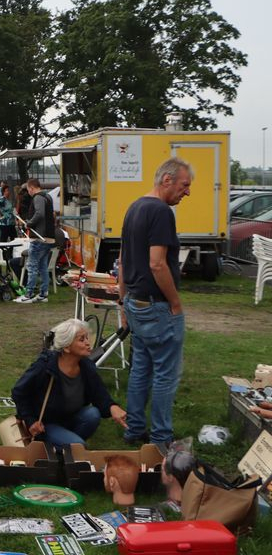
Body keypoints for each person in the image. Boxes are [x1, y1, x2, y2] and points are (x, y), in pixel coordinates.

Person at [117, 157, 192, 450]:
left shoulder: (134, 207)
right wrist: (175, 304)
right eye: (185, 185)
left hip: (135, 301)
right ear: (167, 180)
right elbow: (157, 264)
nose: (187, 192)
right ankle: (161, 438)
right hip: (156, 305)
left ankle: (134, 429)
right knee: (165, 374)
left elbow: (122, 260)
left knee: (141, 368)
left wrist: (123, 300)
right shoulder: (161, 212)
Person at [11, 319, 128, 447]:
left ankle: (63, 449)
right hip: (46, 424)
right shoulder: (44, 366)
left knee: (92, 414)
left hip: (70, 418)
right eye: (81, 340)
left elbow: (99, 394)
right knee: (77, 445)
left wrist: (113, 407)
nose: (88, 343)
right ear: (66, 347)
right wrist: (30, 420)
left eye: (87, 338)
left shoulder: (86, 366)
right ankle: (61, 446)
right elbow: (19, 391)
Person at [14, 178, 55, 304]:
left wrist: (29, 223)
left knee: (32, 266)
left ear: (31, 188)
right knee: (43, 267)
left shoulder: (37, 198)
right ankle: (43, 294)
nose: (28, 193)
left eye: (28, 190)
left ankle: (29, 294)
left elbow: (39, 214)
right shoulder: (48, 197)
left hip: (39, 237)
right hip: (48, 237)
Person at [0, 184, 17, 258]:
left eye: (9, 191)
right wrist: (1, 214)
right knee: (3, 240)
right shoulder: (2, 199)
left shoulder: (8, 200)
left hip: (11, 223)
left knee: (14, 239)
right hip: (4, 223)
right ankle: (3, 256)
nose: (8, 192)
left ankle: (10, 254)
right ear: (3, 192)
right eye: (7, 191)